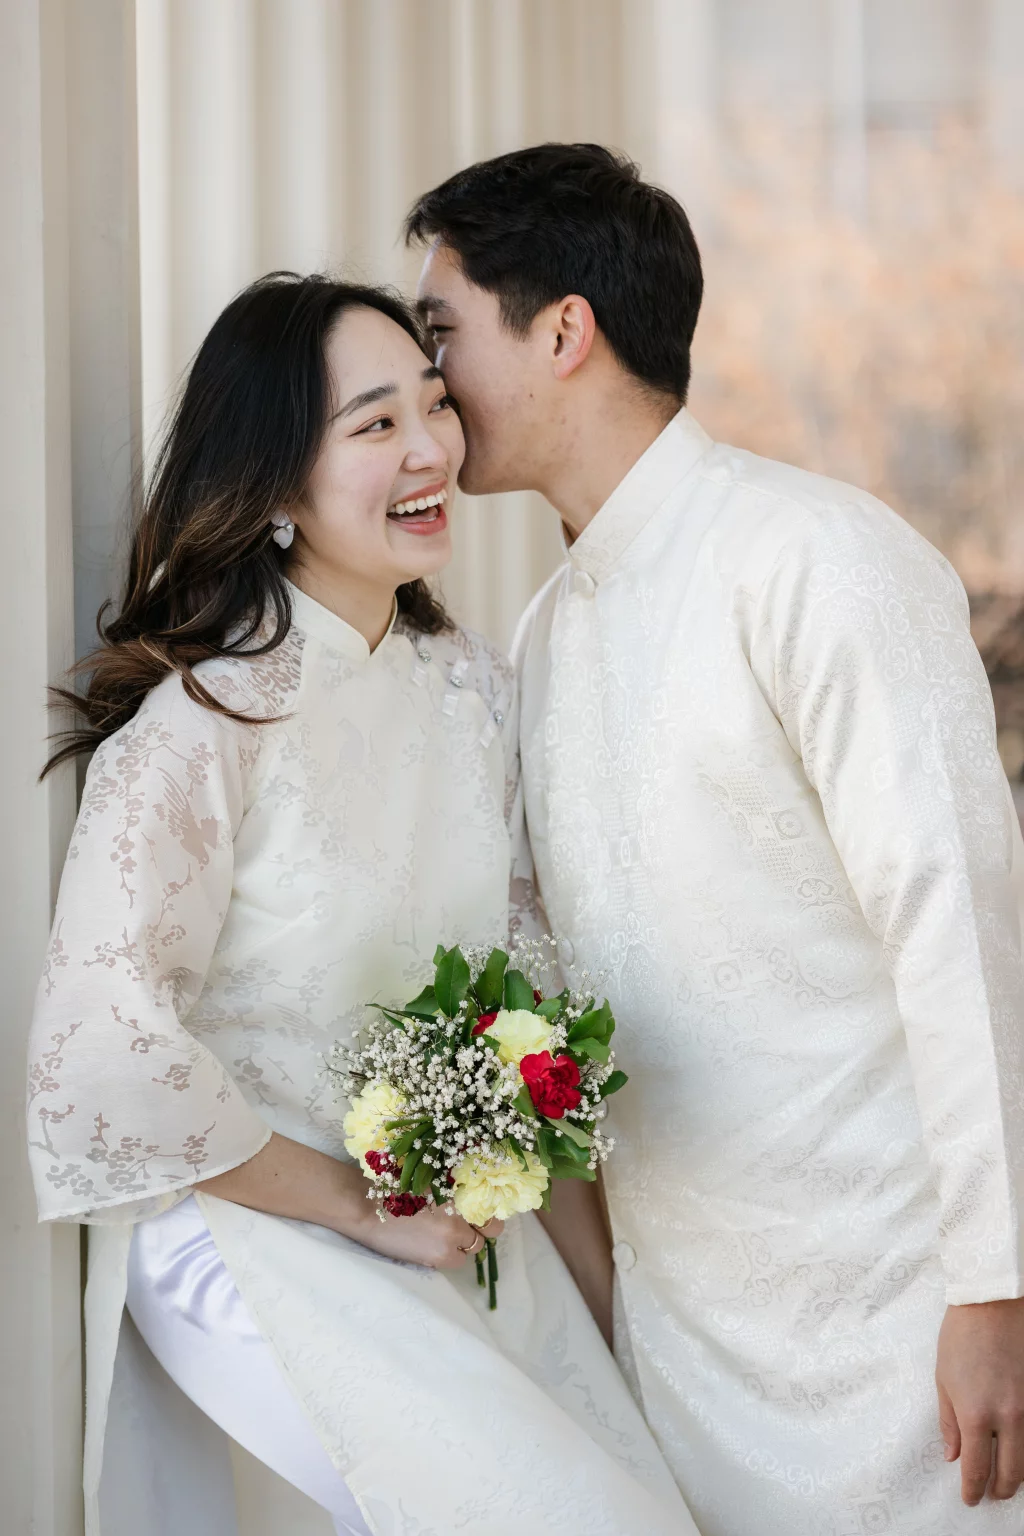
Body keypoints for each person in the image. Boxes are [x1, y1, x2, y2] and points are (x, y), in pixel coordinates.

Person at [408, 142, 1024, 1535]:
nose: (427, 382)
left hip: (904, 1337)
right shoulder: (551, 632)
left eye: (443, 332)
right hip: (686, 1355)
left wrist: (996, 1289)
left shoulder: (820, 560)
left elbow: (958, 920)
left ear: (565, 330)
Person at [26, 272, 695, 1536]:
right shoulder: (201, 730)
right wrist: (358, 1210)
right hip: (249, 1225)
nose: (431, 447)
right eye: (375, 423)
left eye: (434, 406)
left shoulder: (475, 695)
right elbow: (103, 1059)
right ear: (275, 483)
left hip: (448, 1224)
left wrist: (626, 1338)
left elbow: (526, 1017)